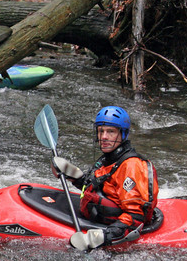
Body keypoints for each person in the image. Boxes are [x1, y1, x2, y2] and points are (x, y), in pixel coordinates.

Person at [52, 105, 159, 247]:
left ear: (123, 134)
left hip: (117, 229)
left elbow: (136, 218)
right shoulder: (109, 158)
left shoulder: (131, 166)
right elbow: (102, 189)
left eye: (111, 132)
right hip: (100, 218)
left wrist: (102, 237)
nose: (104, 137)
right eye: (101, 131)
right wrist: (74, 176)